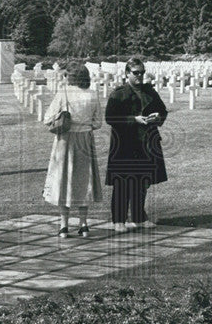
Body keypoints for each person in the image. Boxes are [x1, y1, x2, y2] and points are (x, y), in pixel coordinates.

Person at [105, 57, 168, 233]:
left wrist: (157, 117)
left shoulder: (150, 92)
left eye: (142, 72)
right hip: (125, 143)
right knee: (123, 182)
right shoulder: (118, 94)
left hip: (147, 141)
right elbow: (110, 118)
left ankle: (139, 217)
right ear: (127, 73)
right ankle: (119, 219)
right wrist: (133, 119)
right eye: (136, 73)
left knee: (142, 181)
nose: (140, 76)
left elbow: (163, 111)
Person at [42, 63, 103, 237]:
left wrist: (63, 118)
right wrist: (84, 124)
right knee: (84, 181)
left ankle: (63, 225)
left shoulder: (64, 93)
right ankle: (83, 224)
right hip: (85, 140)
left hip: (66, 140)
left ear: (71, 77)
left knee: (64, 180)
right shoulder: (92, 94)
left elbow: (47, 119)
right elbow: (98, 122)